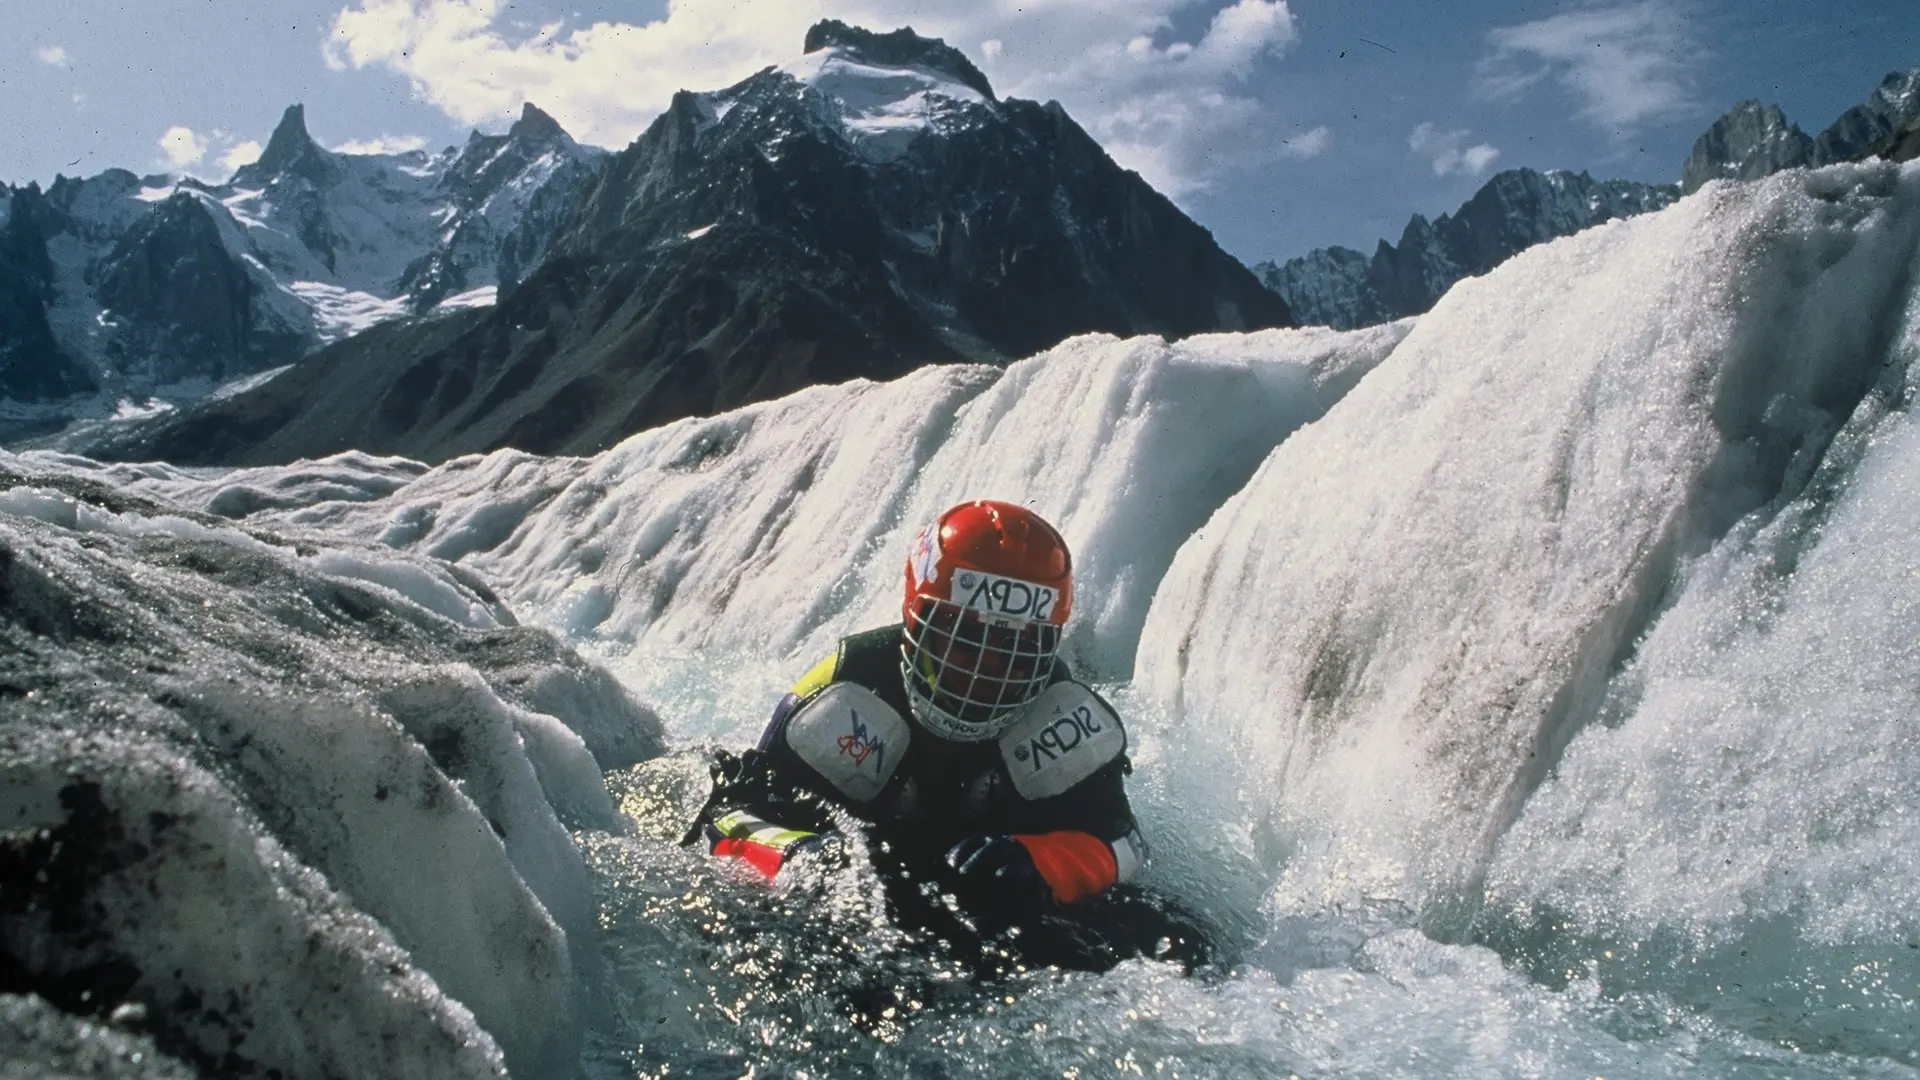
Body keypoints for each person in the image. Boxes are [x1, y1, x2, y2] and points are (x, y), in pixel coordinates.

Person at [691, 499, 1148, 917]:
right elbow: (730, 819)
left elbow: (1124, 843)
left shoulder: (1065, 717)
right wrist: (806, 858)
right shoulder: (839, 694)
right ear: (916, 620)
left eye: (1014, 645)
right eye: (965, 638)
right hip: (861, 902)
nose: (986, 672)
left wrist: (1040, 861)